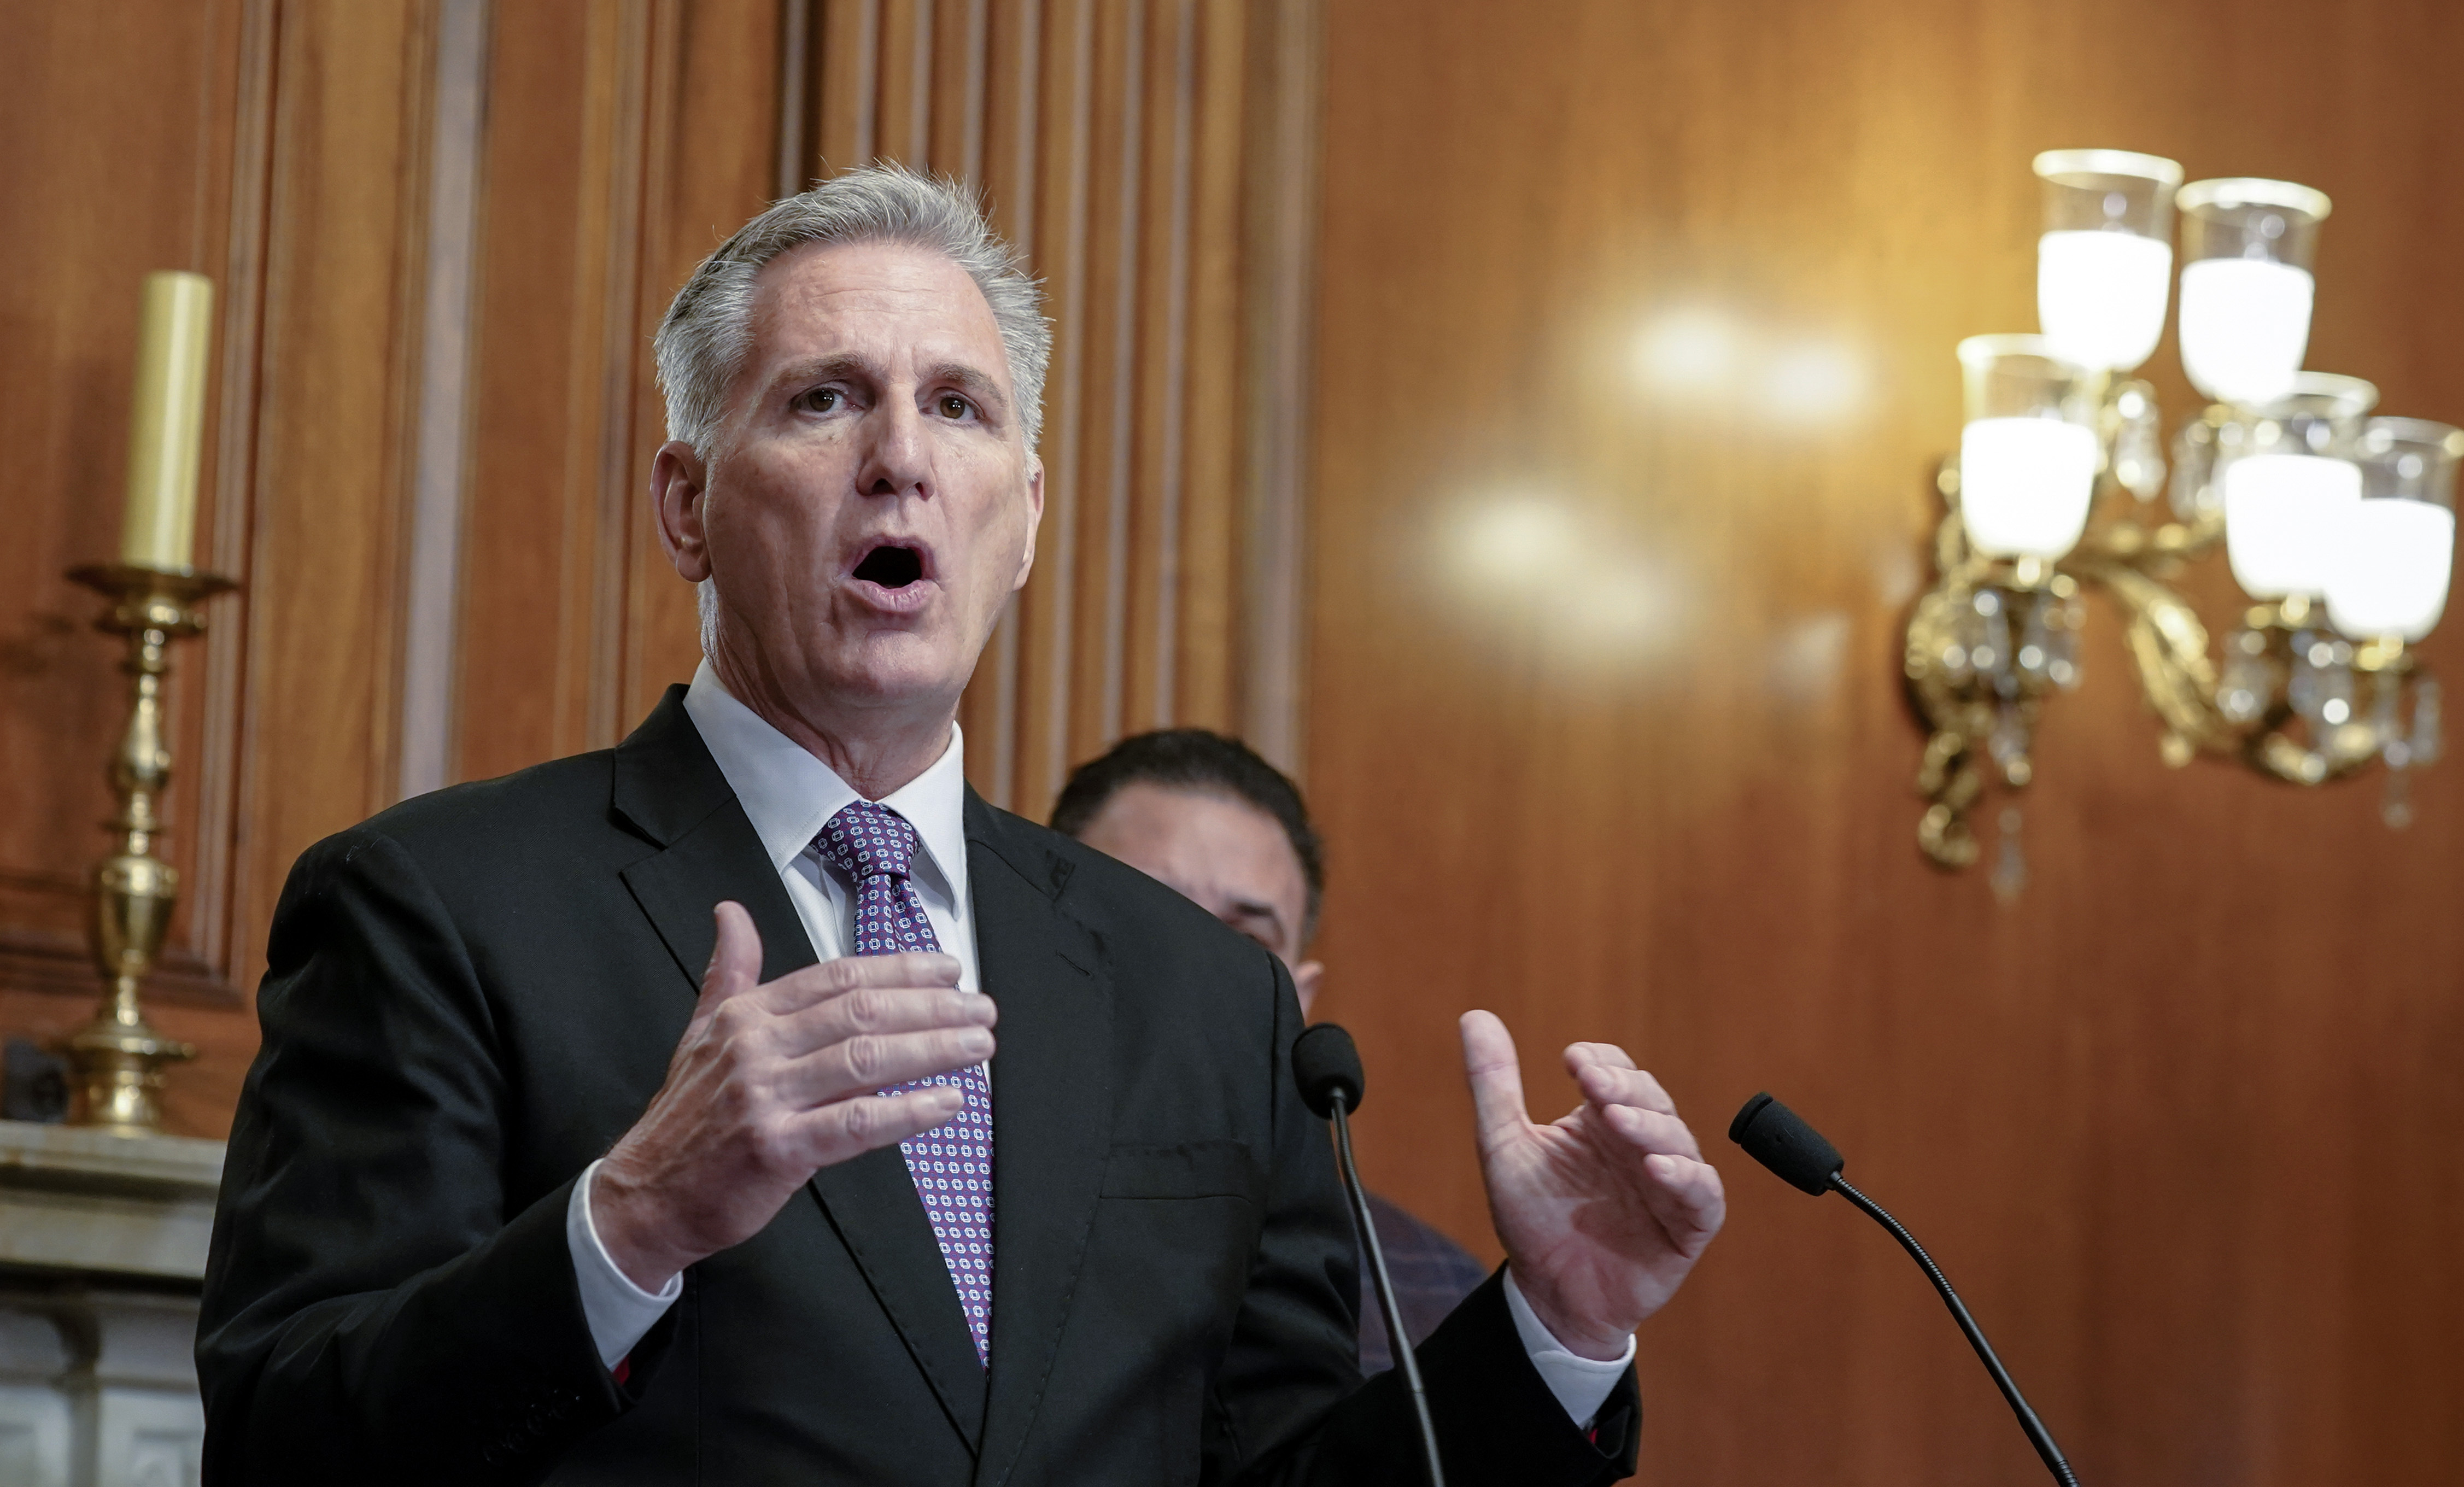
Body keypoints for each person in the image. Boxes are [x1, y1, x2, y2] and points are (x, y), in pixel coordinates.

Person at [196, 164, 1726, 1485]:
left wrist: (1559, 1332)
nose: (901, 455)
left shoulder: (1203, 995)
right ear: (686, 506)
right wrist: (635, 1216)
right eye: (823, 398)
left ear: (1027, 517)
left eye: (959, 406)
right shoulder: (436, 905)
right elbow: (281, 1441)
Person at [1052, 728, 1486, 1375]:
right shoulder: (938, 1207)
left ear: (1298, 1002)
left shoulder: (1430, 1294)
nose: (1186, 973)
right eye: (1140, 913)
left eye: (1242, 943)